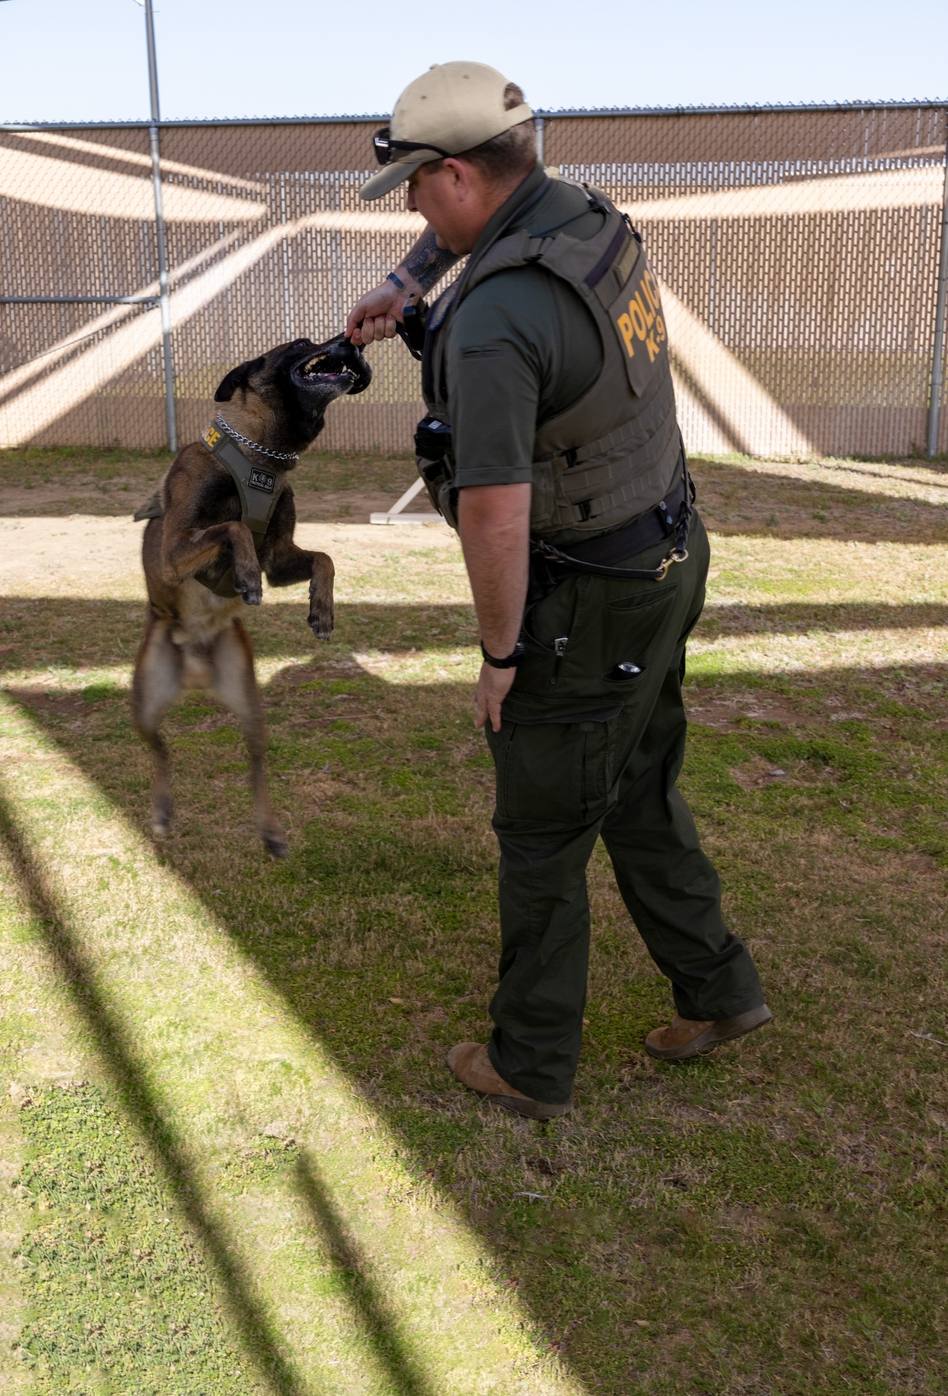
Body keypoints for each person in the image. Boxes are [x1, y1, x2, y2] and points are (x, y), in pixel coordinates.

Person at [346, 62, 770, 1123]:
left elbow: (494, 514)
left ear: (453, 173)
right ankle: (719, 990)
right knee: (634, 786)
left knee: (541, 831)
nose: (407, 206)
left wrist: (500, 661)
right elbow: (466, 242)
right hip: (667, 554)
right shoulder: (582, 217)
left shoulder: (493, 326)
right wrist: (407, 282)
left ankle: (529, 1061)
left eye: (410, 186)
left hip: (585, 604)